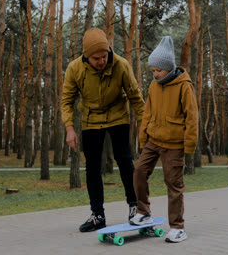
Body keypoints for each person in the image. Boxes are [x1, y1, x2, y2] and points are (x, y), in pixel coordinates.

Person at [61, 28, 145, 232]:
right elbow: (67, 100)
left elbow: (136, 98)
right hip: (91, 119)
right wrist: (69, 128)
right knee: (92, 166)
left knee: (125, 160)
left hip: (117, 115)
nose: (101, 61)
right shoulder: (75, 69)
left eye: (104, 56)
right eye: (96, 58)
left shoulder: (121, 65)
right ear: (86, 57)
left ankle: (136, 208)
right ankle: (97, 214)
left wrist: (145, 126)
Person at [129, 36, 198, 243]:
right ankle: (144, 211)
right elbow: (147, 113)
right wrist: (143, 139)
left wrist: (190, 145)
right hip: (153, 141)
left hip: (174, 144)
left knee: (173, 184)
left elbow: (192, 116)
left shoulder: (184, 86)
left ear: (168, 67)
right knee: (139, 171)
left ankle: (178, 227)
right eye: (152, 71)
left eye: (158, 70)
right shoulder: (154, 86)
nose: (155, 74)